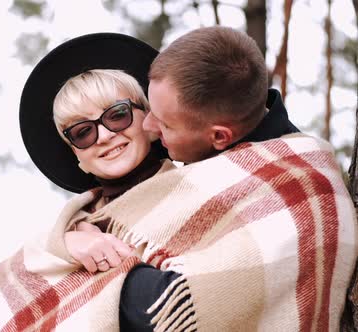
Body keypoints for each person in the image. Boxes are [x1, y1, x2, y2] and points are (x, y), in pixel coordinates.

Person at [109, 26, 358, 331]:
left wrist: (91, 266)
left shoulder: (298, 188)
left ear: (219, 136)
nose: (147, 126)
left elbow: (164, 305)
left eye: (164, 123)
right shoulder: (215, 157)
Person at [0, 32, 173, 331]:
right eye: (83, 132)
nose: (105, 135)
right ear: (76, 155)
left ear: (149, 119)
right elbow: (5, 281)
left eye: (118, 115)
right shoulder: (71, 229)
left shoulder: (200, 187)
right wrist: (64, 244)